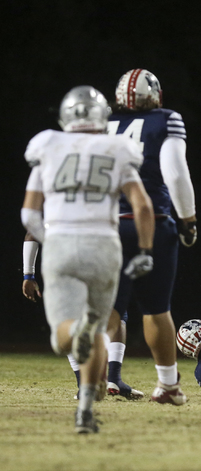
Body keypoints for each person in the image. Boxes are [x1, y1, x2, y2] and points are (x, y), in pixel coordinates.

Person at [21, 85, 155, 433]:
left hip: (62, 243)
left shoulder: (48, 146)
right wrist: (144, 250)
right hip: (103, 245)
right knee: (98, 328)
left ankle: (75, 334)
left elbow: (29, 215)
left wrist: (54, 242)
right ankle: (85, 410)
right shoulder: (115, 147)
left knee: (63, 338)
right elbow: (141, 205)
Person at [106, 69, 198, 405]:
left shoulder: (102, 123)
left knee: (109, 307)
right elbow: (175, 171)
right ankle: (167, 385)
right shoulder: (165, 119)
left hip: (105, 222)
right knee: (156, 309)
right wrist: (188, 219)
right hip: (152, 221)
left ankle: (94, 377)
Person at [21, 231, 144, 400]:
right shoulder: (101, 206)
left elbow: (31, 231)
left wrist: (28, 275)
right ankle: (114, 379)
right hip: (98, 258)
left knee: (68, 319)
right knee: (117, 314)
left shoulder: (55, 205)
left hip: (63, 262)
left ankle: (84, 385)